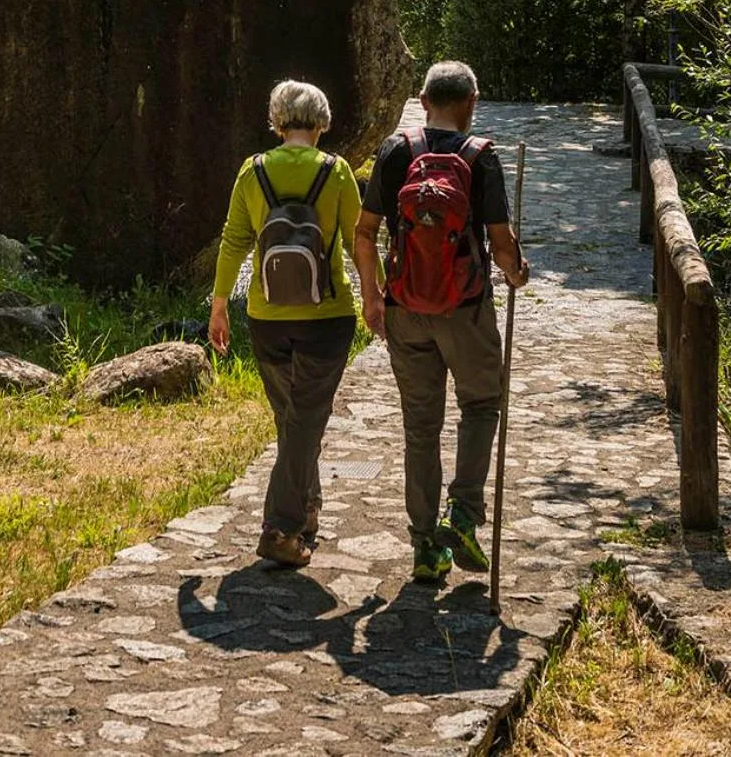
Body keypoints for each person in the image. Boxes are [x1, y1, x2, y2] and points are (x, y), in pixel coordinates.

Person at [354, 60, 529, 585]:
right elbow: (500, 245)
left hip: (405, 308)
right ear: (471, 102)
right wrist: (517, 273)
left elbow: (365, 232)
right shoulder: (481, 156)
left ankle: (425, 548)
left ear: (423, 101)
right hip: (465, 310)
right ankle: (464, 514)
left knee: (420, 425)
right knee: (481, 404)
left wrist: (372, 297)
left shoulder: (396, 150)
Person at [209, 79, 362, 568]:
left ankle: (308, 509)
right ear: (322, 122)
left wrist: (218, 304)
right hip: (326, 317)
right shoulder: (336, 172)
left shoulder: (253, 170)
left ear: (276, 122)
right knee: (304, 420)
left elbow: (234, 240)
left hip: (266, 315)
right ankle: (280, 527)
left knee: (293, 420)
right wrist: (379, 298)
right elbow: (358, 241)